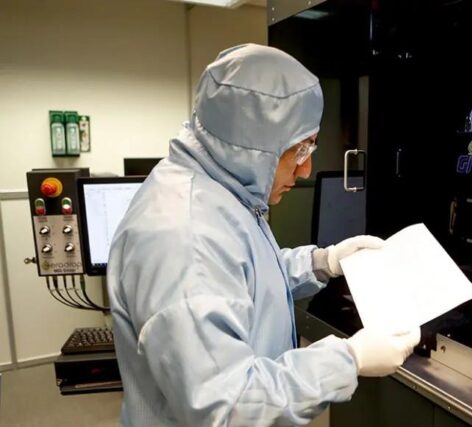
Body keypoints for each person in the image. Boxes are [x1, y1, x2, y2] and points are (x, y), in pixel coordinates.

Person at [107, 43, 419, 426]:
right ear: (251, 149)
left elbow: (240, 278)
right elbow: (229, 405)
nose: (305, 171)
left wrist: (322, 263)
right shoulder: (185, 237)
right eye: (299, 151)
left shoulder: (216, 189)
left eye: (311, 147)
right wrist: (348, 359)